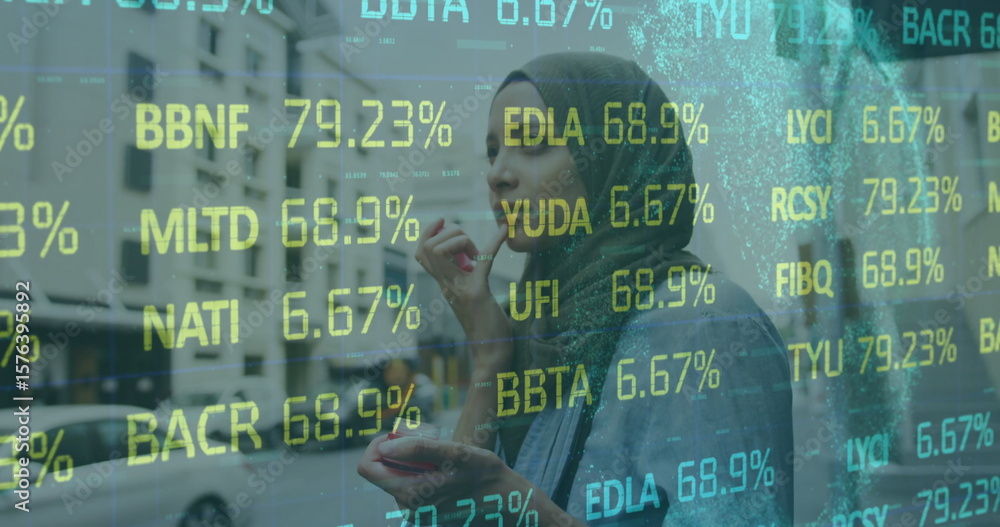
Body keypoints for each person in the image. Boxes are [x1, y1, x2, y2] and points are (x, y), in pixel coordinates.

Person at [358, 52, 794, 526]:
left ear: (613, 158)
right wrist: (489, 359)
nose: (497, 174)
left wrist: (524, 508)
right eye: (493, 151)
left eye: (533, 143)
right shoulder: (532, 329)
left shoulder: (703, 321)